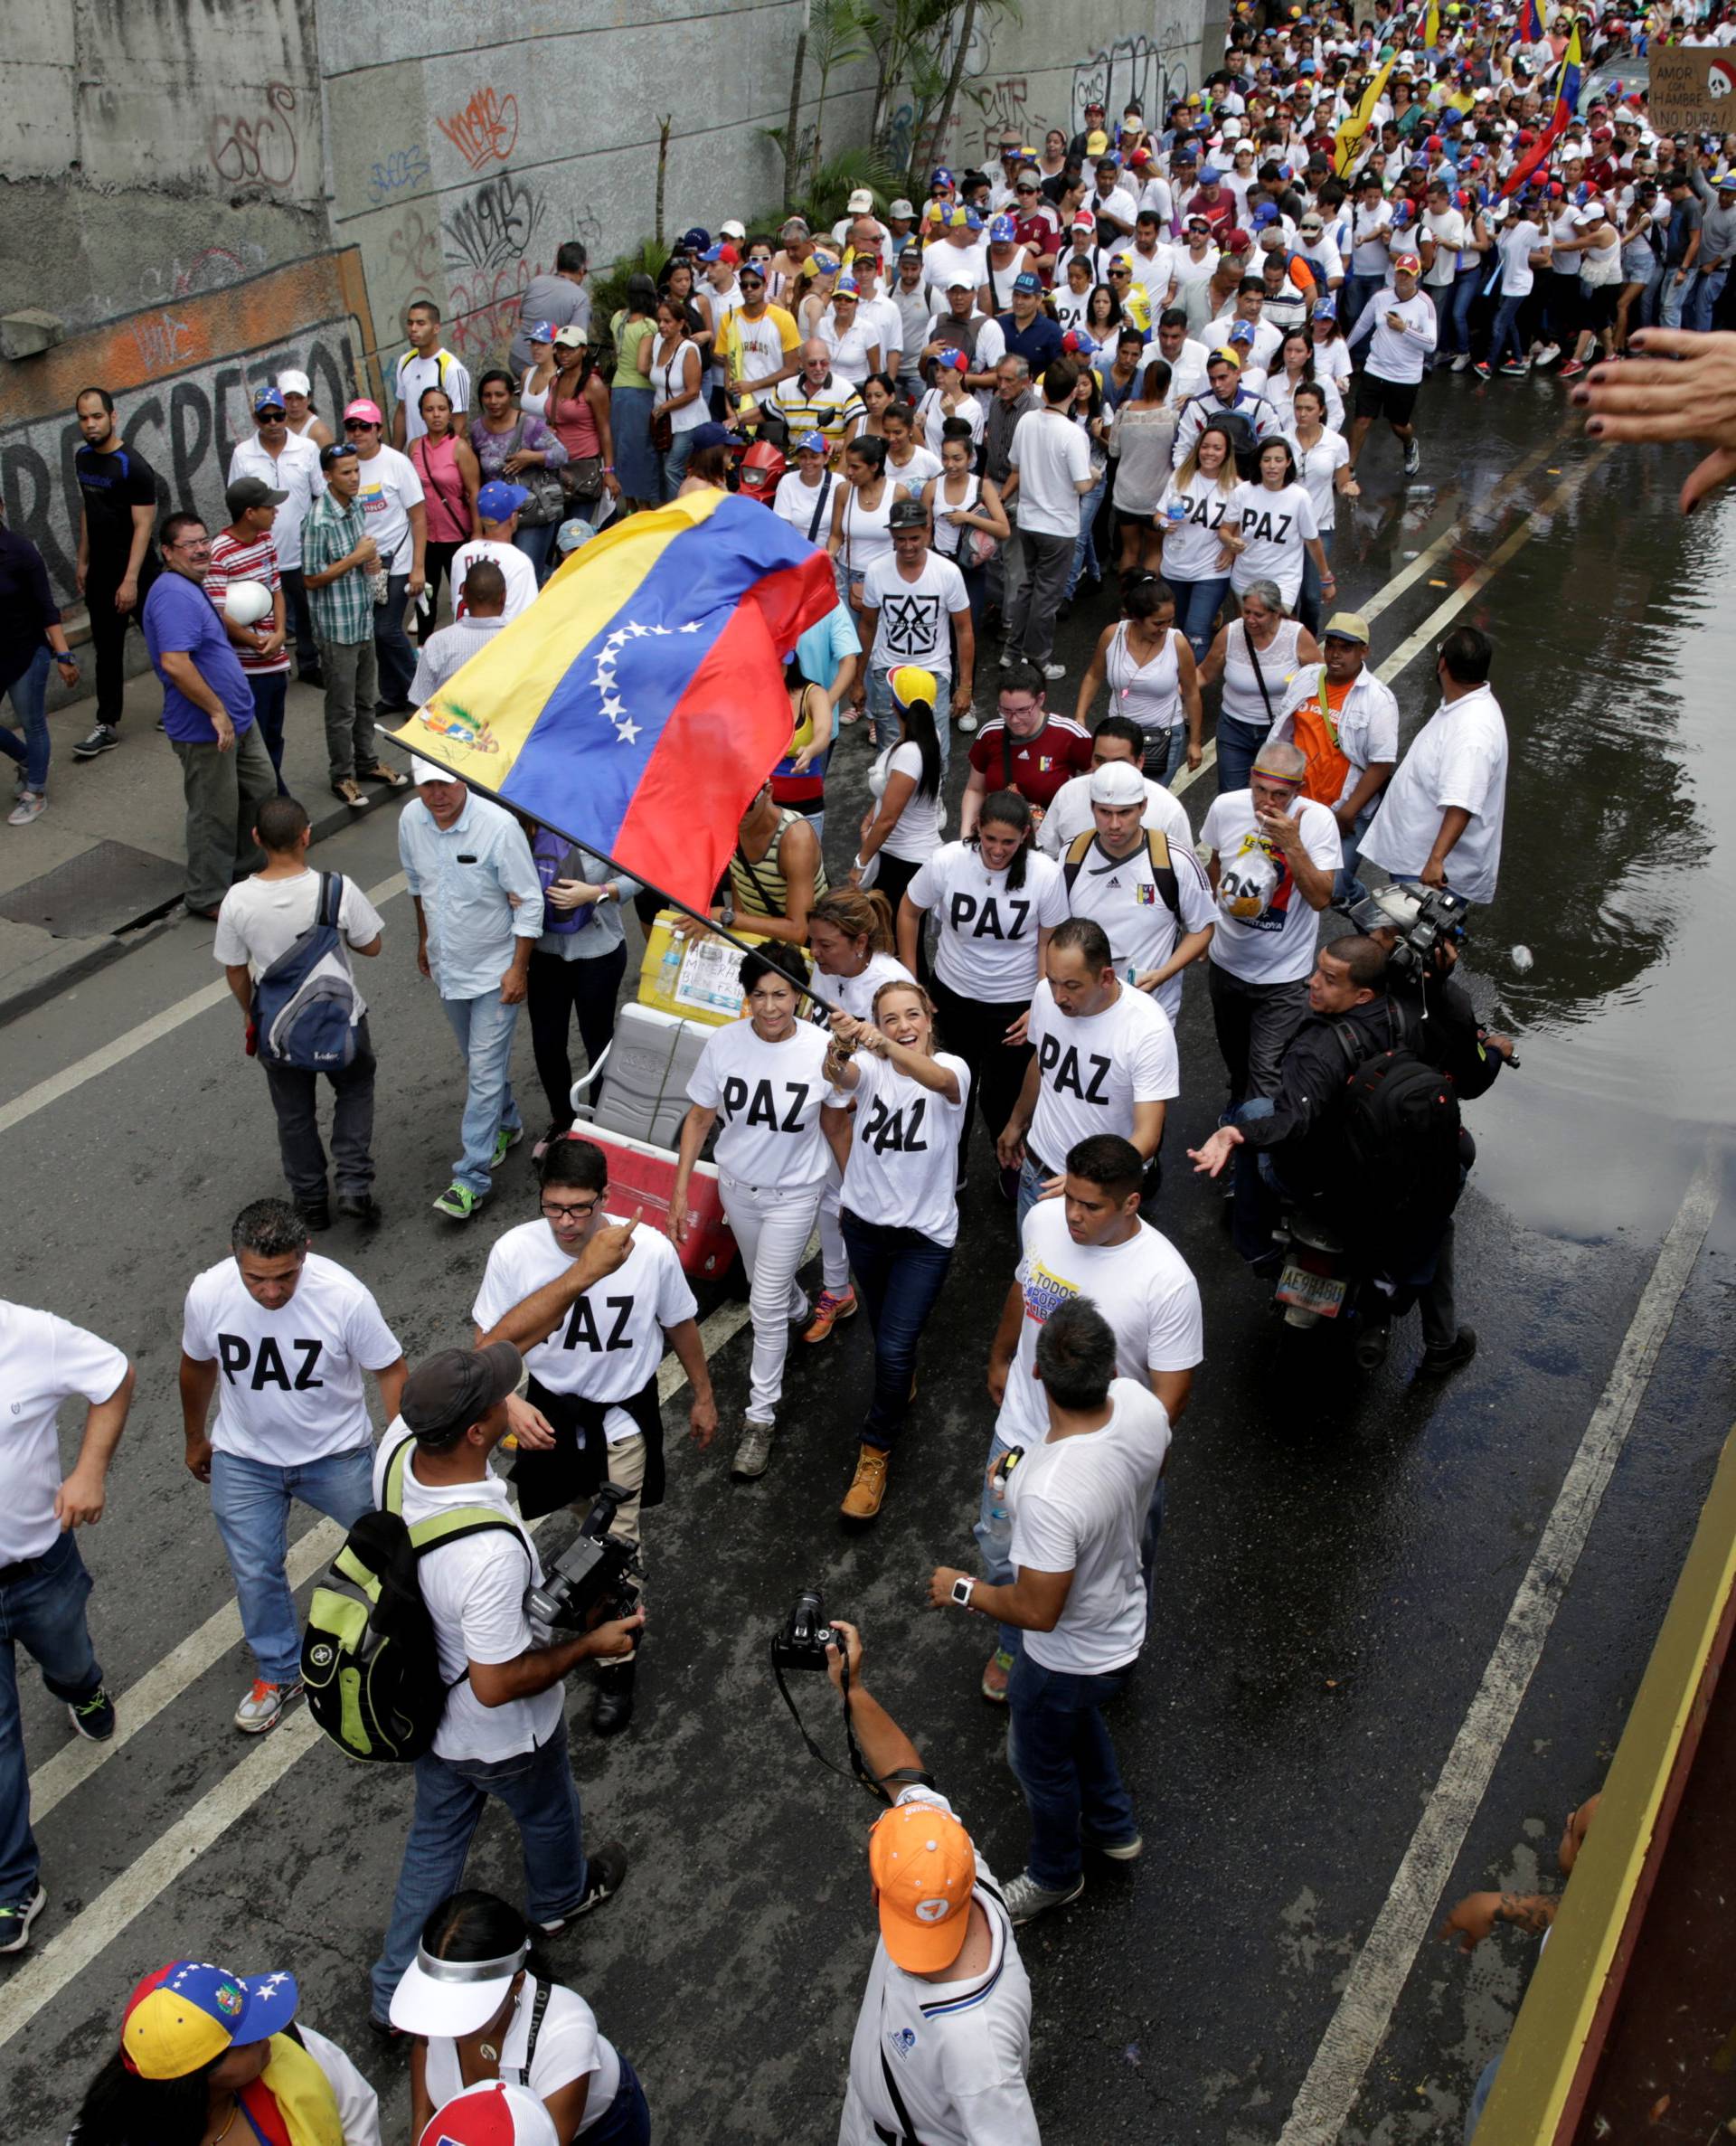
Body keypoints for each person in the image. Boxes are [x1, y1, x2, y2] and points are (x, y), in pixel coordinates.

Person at [367, 1342, 638, 2029]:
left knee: (435, 1839)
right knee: (549, 1810)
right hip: (499, 1733)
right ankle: (560, 1899)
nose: (513, 1399)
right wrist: (589, 1645)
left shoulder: (399, 1446)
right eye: (499, 1399)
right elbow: (497, 1681)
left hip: (430, 1710)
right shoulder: (486, 1555)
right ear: (478, 1432)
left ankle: (392, 1992)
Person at [932, 1291, 1176, 1924]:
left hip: (1067, 1654)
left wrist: (961, 1588)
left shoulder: (1045, 1493)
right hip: (1121, 1623)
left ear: (1037, 1372)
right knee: (1078, 1717)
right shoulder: (1144, 1408)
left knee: (1036, 1761)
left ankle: (1055, 1873)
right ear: (1112, 1369)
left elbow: (1037, 1609)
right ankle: (1113, 1824)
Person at [472, 1137, 713, 1735]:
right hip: (551, 1415)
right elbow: (489, 1347)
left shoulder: (650, 1251)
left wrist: (705, 1394)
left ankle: (616, 1660)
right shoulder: (514, 1252)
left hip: (622, 1420)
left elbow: (679, 1322)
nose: (567, 1221)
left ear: (607, 1197)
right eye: (554, 1207)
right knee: (580, 1520)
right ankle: (597, 1610)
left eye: (580, 1207)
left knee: (613, 1546)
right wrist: (510, 1403)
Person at [972, 1134, 1201, 1705]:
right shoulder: (1045, 1221)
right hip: (1022, 1433)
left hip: (1109, 1462)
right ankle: (1015, 1640)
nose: (1073, 1214)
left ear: (1131, 1203)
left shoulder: (1167, 1281)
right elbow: (1025, 1290)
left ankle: (1108, 1652)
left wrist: (1126, 1465)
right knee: (1002, 1550)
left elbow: (1170, 1394)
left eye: (1091, 1205)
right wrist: (1001, 1355)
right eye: (1070, 1197)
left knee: (1119, 1563)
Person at [1188, 935, 1476, 1373]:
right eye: (1317, 970)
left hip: (1318, 1183)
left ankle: (1257, 1248)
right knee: (1442, 1197)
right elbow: (1461, 1056)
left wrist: (1233, 1134)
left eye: (1328, 978)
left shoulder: (1318, 1048)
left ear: (1362, 994)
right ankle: (1440, 1340)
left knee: (1252, 1114)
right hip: (1387, 1178)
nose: (1311, 983)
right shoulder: (1408, 1016)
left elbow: (1292, 1123)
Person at [180, 1197, 405, 1733]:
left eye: (285, 1276)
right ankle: (280, 1671)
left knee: (395, 1548)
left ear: (306, 1251)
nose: (272, 1291)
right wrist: (195, 1438)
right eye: (257, 1278)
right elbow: (196, 1366)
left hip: (337, 1456)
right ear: (234, 1258)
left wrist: (402, 1455)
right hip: (245, 1457)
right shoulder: (208, 1292)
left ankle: (417, 1640)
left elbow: (390, 1371)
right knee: (254, 1568)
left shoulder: (344, 1298)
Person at [827, 1621, 1039, 2146]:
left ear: (880, 1892)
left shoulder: (978, 2051)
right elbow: (906, 1779)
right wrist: (852, 1690)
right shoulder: (955, 1864)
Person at [0, 1296, 132, 1955]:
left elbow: (112, 1377)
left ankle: (81, 1687)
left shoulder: (32, 1336)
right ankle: (11, 1881)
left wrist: (89, 1470)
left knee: (69, 1658)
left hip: (38, 1569)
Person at [671, 950, 831, 1481]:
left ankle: (758, 1418)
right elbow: (699, 1117)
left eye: (781, 994)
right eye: (758, 995)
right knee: (772, 1282)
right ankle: (801, 1307)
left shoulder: (823, 1050)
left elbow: (840, 1120)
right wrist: (679, 1193)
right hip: (737, 1189)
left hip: (795, 1194)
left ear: (800, 997)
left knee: (762, 1302)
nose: (769, 1007)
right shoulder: (724, 1043)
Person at [822, 983, 968, 1519]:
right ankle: (896, 1379)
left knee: (894, 1345)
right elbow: (836, 1076)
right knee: (886, 1333)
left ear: (930, 1016)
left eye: (913, 1014)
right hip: (864, 1226)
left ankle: (875, 1451)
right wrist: (842, 1044)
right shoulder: (872, 1064)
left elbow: (934, 1078)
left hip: (924, 1239)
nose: (905, 1024)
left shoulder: (952, 1067)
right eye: (890, 1017)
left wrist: (881, 1041)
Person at [215, 795, 385, 1224]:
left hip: (277, 1026)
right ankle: (353, 1185)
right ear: (305, 836)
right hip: (342, 1020)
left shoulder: (236, 900)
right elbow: (372, 946)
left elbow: (236, 970)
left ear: (257, 838)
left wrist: (249, 1012)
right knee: (354, 1088)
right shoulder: (336, 888)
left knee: (293, 1113)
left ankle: (310, 1199)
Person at [900, 789, 1066, 1199]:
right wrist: (911, 983)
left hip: (1012, 1006)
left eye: (1008, 842)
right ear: (978, 830)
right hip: (950, 996)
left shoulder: (1044, 874)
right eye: (990, 839)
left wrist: (1039, 1002)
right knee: (947, 1089)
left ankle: (1009, 1159)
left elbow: (1051, 939)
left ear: (1026, 836)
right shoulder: (948, 861)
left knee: (1003, 1095)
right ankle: (949, 1169)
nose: (997, 850)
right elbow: (908, 910)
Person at [399, 764, 545, 1221]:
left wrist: (518, 969)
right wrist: (424, 940)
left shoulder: (498, 827)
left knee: (483, 1070)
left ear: (464, 780)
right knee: (477, 1061)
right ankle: (508, 1123)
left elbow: (530, 900)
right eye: (427, 785)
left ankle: (470, 1179)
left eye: (445, 783)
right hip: (449, 968)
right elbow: (418, 887)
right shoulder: (410, 820)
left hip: (494, 973)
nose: (437, 794)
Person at [392, 1889, 650, 2144]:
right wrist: (422, 2133)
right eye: (436, 2000)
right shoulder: (438, 2016)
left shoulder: (564, 2036)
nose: (443, 2022)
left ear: (516, 1984)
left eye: (463, 2005)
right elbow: (424, 2046)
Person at [71, 1958, 380, 2146]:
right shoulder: (107, 2137)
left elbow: (356, 2115)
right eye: (243, 2041)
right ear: (197, 2078)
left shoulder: (295, 2046)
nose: (266, 2036)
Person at [996, 917, 1179, 1229]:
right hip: (1038, 1172)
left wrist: (1084, 1183)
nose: (1057, 997)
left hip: (1099, 1196)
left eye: (1071, 986)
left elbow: (1148, 1136)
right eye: (1052, 980)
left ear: (1106, 977)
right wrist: (1016, 1122)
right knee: (1036, 1271)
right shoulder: (1045, 995)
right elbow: (1042, 1063)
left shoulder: (1147, 1029)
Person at [1438, 1795, 1601, 2141]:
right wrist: (1497, 1905)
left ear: (1586, 1858)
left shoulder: (1579, 1958)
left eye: (1574, 1830)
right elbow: (1587, 1905)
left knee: (1492, 2086)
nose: (1569, 1818)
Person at [141, 512, 278, 922]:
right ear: (168, 552)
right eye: (189, 544)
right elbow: (176, 663)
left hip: (237, 718)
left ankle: (242, 870)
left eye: (204, 541)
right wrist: (217, 711)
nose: (201, 549)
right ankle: (207, 894)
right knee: (212, 811)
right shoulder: (171, 595)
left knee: (261, 788)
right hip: (206, 727)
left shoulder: (191, 585)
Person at [1199, 739, 1341, 1108]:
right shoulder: (1225, 808)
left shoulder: (1317, 822)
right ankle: (1239, 1108)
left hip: (1283, 976)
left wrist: (1292, 845)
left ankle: (1257, 1151)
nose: (1267, 802)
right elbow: (1215, 863)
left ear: (1299, 789)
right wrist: (1210, 923)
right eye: (1259, 789)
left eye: (1280, 794)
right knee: (1236, 1057)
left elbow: (1321, 898)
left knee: (1267, 1070)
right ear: (1250, 777)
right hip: (1227, 964)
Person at [801, 887, 914, 1347]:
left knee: (870, 1210)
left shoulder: (894, 987)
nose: (815, 952)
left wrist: (851, 1096)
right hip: (833, 1108)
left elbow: (912, 1062)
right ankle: (837, 1289)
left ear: (860, 942)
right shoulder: (825, 968)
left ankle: (896, 1302)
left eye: (826, 945)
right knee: (833, 1199)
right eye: (814, 942)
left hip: (873, 1118)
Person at [1059, 759, 1216, 1031]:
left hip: (1150, 1012)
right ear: (1092, 808)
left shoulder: (1175, 860)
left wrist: (1163, 974)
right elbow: (1052, 929)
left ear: (1143, 806)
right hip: (1084, 1009)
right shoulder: (1070, 857)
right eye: (1105, 812)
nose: (1114, 824)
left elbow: (1203, 928)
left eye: (1125, 812)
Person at [1361, 625, 1507, 904]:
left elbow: (1462, 802)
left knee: (1419, 944)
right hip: (1415, 864)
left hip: (1429, 877)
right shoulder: (1462, 706)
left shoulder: (1473, 730)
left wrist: (1436, 860)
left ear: (1443, 664)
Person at [1265, 611, 1398, 894]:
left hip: (1344, 813)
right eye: (1332, 645)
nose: (1336, 655)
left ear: (1364, 651)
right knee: (1286, 876)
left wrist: (1347, 813)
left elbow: (1381, 763)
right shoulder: (1306, 678)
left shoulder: (1378, 699)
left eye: (1346, 648)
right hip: (1297, 805)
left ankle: (1369, 918)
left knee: (1333, 890)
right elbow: (1283, 735)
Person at [523, 827, 637, 1151]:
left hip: (598, 951)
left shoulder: (608, 823)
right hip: (544, 952)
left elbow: (640, 876)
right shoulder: (526, 824)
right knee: (546, 1042)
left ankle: (601, 1123)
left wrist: (596, 892)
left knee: (598, 1038)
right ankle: (562, 1121)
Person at [302, 443, 401, 809]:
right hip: (336, 629)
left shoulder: (356, 507)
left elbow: (358, 559)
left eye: (356, 470)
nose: (355, 477)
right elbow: (311, 579)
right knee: (341, 709)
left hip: (361, 620)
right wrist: (356, 558)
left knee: (365, 700)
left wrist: (368, 563)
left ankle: (367, 762)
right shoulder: (317, 521)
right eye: (346, 472)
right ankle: (342, 775)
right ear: (327, 476)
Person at [69, 385, 161, 761]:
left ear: (113, 416)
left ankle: (185, 704)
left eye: (97, 416)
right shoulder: (83, 459)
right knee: (107, 651)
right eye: (84, 418)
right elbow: (90, 509)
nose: (90, 424)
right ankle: (106, 725)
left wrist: (130, 580)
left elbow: (144, 527)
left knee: (163, 642)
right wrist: (83, 559)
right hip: (102, 572)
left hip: (138, 570)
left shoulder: (133, 466)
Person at [228, 383, 327, 686]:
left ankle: (310, 664)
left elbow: (320, 494)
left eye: (278, 415)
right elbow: (236, 499)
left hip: (301, 550)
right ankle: (272, 666)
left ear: (287, 415)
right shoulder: (243, 454)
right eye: (265, 417)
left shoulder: (307, 448)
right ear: (256, 419)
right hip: (261, 553)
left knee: (307, 613)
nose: (273, 423)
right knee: (262, 613)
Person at [1001, 362, 1095, 681]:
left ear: (1042, 390)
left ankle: (1012, 651)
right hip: (1058, 527)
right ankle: (1039, 658)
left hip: (1028, 520)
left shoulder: (1027, 420)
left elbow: (1014, 463)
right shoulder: (1073, 433)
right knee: (1047, 597)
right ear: (1073, 392)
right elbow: (1082, 485)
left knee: (1028, 588)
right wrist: (1095, 475)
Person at [856, 496, 973, 751]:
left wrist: (965, 687)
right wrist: (857, 681)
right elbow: (867, 625)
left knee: (936, 752)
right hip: (888, 673)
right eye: (900, 539)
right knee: (890, 752)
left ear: (927, 531)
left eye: (914, 538)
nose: (907, 546)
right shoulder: (876, 571)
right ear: (892, 536)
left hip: (934, 673)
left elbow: (963, 629)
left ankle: (935, 793)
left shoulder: (948, 572)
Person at [204, 476, 292, 791]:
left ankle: (271, 796)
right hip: (248, 668)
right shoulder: (220, 552)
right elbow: (218, 614)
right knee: (256, 742)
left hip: (275, 660)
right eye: (270, 507)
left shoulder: (266, 540)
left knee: (273, 735)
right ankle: (272, 799)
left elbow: (277, 589)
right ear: (250, 513)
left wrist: (280, 633)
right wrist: (256, 641)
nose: (276, 512)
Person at [1073, 575, 1202, 786]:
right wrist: (1080, 716)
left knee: (1149, 804)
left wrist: (1195, 742)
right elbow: (1094, 675)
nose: (1165, 628)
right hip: (1118, 736)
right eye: (1158, 623)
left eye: (1170, 621)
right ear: (1136, 618)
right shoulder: (1111, 635)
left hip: (1164, 738)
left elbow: (1191, 692)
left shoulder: (1177, 643)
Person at [1197, 580, 1320, 798]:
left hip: (1279, 732)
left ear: (1276, 613)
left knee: (1274, 797)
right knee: (1231, 795)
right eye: (1247, 612)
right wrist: (1173, 689)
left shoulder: (1296, 636)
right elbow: (1205, 673)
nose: (1250, 620)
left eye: (1258, 615)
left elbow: (1319, 681)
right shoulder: (1230, 633)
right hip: (1234, 729)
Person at [343, 398, 427, 715]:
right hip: (365, 564)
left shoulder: (396, 463)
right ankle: (393, 696)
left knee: (387, 629)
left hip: (398, 559)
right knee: (376, 633)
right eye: (352, 426)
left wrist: (418, 567)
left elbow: (419, 517)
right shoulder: (347, 464)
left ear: (379, 429)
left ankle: (420, 693)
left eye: (365, 426)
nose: (358, 432)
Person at [0, 504, 76, 826]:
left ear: (1, 507)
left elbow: (47, 608)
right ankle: (31, 760)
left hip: (26, 653)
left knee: (33, 723)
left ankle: (36, 791)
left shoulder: (20, 552)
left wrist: (64, 655)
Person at [1035, 712, 1192, 863]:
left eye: (1119, 762)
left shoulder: (1168, 810)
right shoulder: (1068, 794)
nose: (1107, 770)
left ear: (1140, 761)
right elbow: (1045, 856)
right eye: (1100, 760)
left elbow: (1184, 871)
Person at [854, 663, 947, 914]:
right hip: (908, 858)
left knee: (896, 944)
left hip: (902, 862)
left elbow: (888, 820)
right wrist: (869, 818)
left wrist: (860, 864)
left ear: (894, 706)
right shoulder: (930, 737)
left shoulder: (909, 753)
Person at [960, 661, 1092, 835]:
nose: (1014, 720)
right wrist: (965, 837)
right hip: (999, 840)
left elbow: (1096, 782)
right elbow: (975, 789)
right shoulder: (990, 734)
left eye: (1023, 710)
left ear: (1040, 699)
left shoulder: (1069, 735)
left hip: (1051, 842)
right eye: (1006, 710)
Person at [1153, 421, 1240, 660]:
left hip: (1210, 570)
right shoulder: (1180, 477)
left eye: (1217, 448)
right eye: (1206, 447)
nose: (1210, 453)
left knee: (1196, 631)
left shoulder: (1235, 487)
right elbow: (1158, 514)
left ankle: (1191, 689)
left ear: (1227, 453)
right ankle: (1178, 678)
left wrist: (1231, 550)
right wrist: (1162, 523)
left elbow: (1242, 526)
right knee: (1177, 629)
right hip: (1175, 566)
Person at [1345, 251, 1436, 477]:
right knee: (1362, 419)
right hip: (1375, 368)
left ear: (1417, 277)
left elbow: (1431, 343)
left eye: (1408, 275)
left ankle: (1409, 444)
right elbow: (1361, 326)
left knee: (1399, 425)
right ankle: (1350, 466)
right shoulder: (1380, 298)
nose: (1403, 279)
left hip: (1405, 376)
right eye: (1400, 274)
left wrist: (1404, 329)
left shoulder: (1425, 304)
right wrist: (1343, 349)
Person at [1222, 435, 1334, 617]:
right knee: (1247, 633)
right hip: (1245, 578)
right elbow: (1225, 529)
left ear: (1288, 462)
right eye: (1266, 460)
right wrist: (1230, 541)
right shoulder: (1243, 491)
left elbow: (1312, 541)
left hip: (1283, 582)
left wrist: (1326, 578)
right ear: (1259, 462)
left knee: (1275, 632)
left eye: (1278, 460)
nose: (1272, 466)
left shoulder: (1299, 497)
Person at [410, 386, 482, 636]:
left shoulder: (459, 448)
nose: (436, 415)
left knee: (464, 599)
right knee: (425, 598)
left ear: (450, 412)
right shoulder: (415, 447)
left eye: (441, 409)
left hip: (457, 536)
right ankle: (424, 650)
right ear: (421, 414)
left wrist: (477, 533)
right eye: (430, 410)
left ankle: (470, 646)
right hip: (426, 537)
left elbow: (474, 493)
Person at [1289, 383, 1356, 638]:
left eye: (1308, 408)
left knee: (1310, 594)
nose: (1302, 414)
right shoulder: (1282, 441)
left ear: (1321, 410)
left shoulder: (1336, 443)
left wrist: (1349, 488)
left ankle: (1307, 641)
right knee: (1288, 594)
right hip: (1288, 528)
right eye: (1298, 408)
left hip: (1320, 527)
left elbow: (1341, 483)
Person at [723, 779, 827, 942]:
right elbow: (742, 891)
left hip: (802, 950)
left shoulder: (796, 838)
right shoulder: (728, 826)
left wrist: (727, 917)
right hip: (760, 940)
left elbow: (798, 932)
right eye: (727, 804)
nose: (737, 813)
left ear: (768, 792)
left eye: (747, 805)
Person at [547, 329, 621, 525]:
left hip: (584, 469)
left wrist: (609, 471)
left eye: (570, 350)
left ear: (583, 351)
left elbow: (604, 429)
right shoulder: (554, 381)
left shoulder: (593, 385)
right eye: (560, 350)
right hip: (557, 467)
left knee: (578, 532)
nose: (564, 355)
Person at [412, 557, 511, 701]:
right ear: (504, 597)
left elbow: (421, 703)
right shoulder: (520, 640)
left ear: (463, 593)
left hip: (448, 722)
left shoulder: (437, 643)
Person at [448, 481, 541, 619]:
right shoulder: (519, 562)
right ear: (513, 517)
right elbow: (524, 620)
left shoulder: (461, 554)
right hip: (499, 640)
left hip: (461, 637)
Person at [648, 297, 708, 499]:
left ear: (681, 323)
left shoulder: (688, 350)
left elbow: (693, 391)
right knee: (668, 466)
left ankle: (680, 512)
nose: (662, 326)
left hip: (688, 421)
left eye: (667, 321)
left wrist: (665, 407)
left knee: (672, 467)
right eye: (660, 321)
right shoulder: (658, 341)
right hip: (664, 421)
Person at [393, 301, 473, 448]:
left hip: (443, 461)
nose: (413, 329)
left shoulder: (453, 369)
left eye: (421, 323)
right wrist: (395, 454)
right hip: (415, 458)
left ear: (436, 328)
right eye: (410, 323)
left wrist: (438, 458)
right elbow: (402, 410)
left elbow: (459, 424)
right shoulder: (404, 362)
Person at [510, 240, 593, 373]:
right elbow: (575, 340)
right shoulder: (580, 298)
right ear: (581, 270)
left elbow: (521, 318)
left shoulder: (536, 282)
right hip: (543, 366)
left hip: (516, 357)